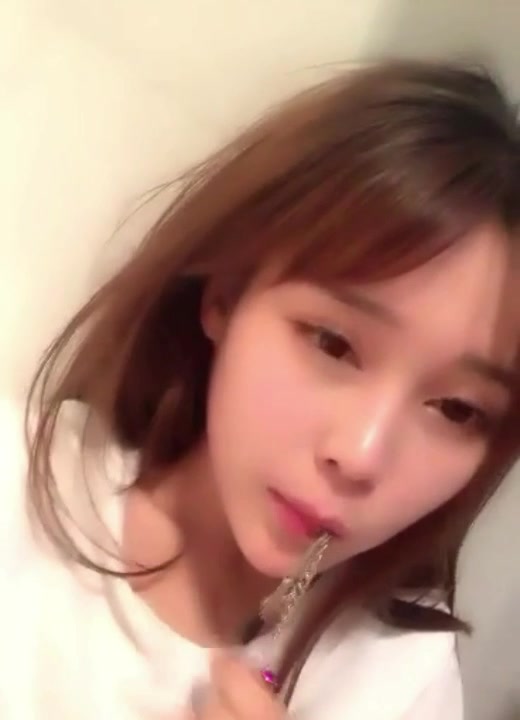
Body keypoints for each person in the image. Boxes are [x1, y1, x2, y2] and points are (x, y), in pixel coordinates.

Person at [0, 59, 519, 720]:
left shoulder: (402, 681)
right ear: (226, 296)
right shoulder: (17, 493)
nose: (360, 454)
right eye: (333, 343)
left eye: (456, 409)